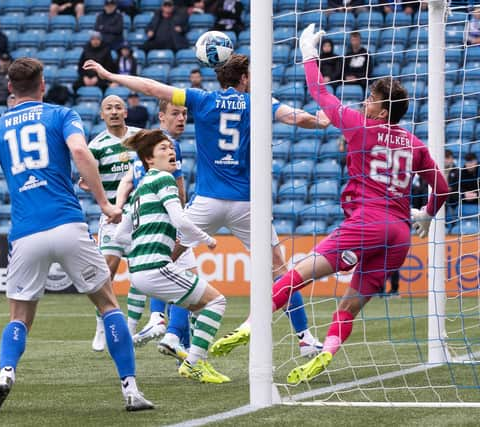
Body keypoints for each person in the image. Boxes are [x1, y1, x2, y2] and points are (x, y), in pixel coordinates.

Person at [82, 53, 330, 359]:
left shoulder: (200, 99)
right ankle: (305, 339)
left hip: (208, 201)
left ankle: (161, 320)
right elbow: (296, 117)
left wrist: (111, 74)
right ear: (244, 79)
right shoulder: (259, 101)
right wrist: (322, 121)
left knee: (165, 257)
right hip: (246, 203)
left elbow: (151, 87)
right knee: (279, 270)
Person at [0, 57, 152, 413]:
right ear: (42, 84)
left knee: (19, 316)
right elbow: (80, 151)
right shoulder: (60, 114)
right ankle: (130, 389)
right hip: (68, 224)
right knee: (106, 303)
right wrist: (103, 202)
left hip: (26, 233)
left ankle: (5, 374)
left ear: (10, 88)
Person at [275, 24, 448, 384]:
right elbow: (443, 188)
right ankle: (326, 353)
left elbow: (320, 93)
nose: (364, 102)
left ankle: (252, 327)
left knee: (296, 275)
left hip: (367, 222)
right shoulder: (414, 143)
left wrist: (310, 54)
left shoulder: (360, 126)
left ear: (383, 112)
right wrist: (427, 215)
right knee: (350, 305)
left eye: (371, 99)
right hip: (400, 235)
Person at [114, 128, 229, 383]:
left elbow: (120, 237)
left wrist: (139, 251)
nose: (171, 151)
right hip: (157, 268)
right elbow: (180, 219)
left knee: (200, 306)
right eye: (163, 148)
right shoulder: (164, 180)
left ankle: (184, 349)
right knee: (217, 302)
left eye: (170, 147)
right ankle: (193, 363)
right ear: (149, 159)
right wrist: (208, 239)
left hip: (139, 274)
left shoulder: (140, 190)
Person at [115, 100, 193, 359]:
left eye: (184, 113)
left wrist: (118, 206)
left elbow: (128, 182)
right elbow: (178, 186)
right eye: (175, 114)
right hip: (164, 222)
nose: (181, 118)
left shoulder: (146, 148)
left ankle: (175, 336)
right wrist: (179, 219)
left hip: (142, 223)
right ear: (162, 117)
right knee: (188, 281)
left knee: (170, 275)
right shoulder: (168, 147)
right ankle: (167, 329)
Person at [85, 94, 141, 352]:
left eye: (119, 107)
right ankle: (101, 323)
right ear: (102, 115)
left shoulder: (141, 137)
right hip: (112, 216)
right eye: (109, 108)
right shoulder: (95, 145)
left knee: (142, 271)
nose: (114, 111)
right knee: (107, 270)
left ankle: (131, 326)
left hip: (142, 213)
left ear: (126, 112)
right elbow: (87, 179)